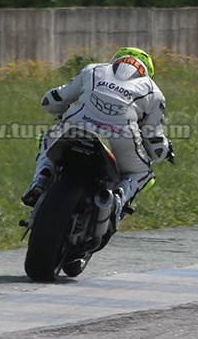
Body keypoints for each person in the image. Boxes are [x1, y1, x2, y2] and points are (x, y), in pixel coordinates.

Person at [21, 46, 174, 229]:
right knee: (141, 172)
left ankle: (42, 176)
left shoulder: (93, 69)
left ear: (116, 60)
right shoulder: (154, 92)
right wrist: (166, 150)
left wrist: (60, 110)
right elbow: (154, 141)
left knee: (49, 138)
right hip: (121, 140)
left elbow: (52, 101)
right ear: (147, 71)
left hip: (78, 125)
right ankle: (117, 199)